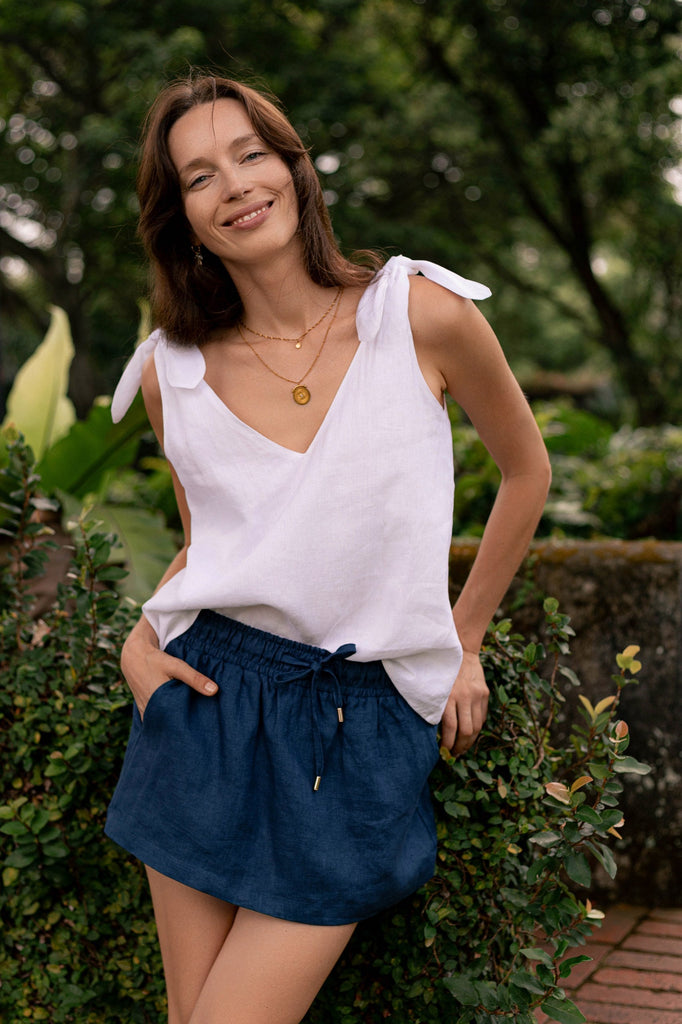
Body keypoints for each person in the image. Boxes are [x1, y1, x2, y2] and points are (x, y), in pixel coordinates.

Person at [105, 73, 551, 1024]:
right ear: (181, 217)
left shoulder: (418, 312)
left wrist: (465, 638)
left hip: (358, 721)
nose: (235, 184)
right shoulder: (170, 373)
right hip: (205, 705)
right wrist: (138, 644)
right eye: (199, 175)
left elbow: (527, 472)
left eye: (251, 154)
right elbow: (207, 544)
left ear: (296, 169)